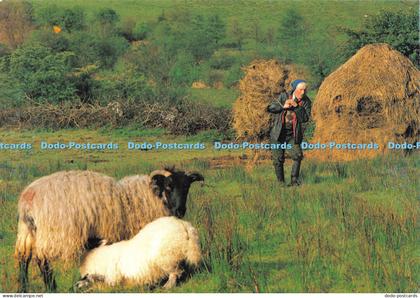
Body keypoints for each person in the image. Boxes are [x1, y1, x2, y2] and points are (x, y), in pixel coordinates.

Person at [266, 79, 312, 186]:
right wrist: (283, 106)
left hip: (293, 134)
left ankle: (294, 181)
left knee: (297, 156)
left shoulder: (306, 101)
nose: (303, 92)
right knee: (278, 159)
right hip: (277, 134)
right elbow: (270, 108)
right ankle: (281, 183)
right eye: (301, 90)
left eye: (305, 90)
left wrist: (296, 106)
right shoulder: (283, 96)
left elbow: (305, 118)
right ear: (295, 89)